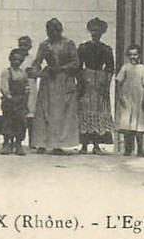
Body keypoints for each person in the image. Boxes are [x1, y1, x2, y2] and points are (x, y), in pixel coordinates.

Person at [28, 18, 80, 154]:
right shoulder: (44, 45)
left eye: (53, 31)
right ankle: (41, 143)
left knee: (60, 113)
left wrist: (62, 68)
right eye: (48, 31)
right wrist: (35, 71)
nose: (51, 34)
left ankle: (58, 144)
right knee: (44, 111)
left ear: (59, 30)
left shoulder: (68, 44)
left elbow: (76, 63)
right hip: (48, 80)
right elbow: (37, 61)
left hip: (63, 81)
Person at [77, 17, 115, 154]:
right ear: (89, 31)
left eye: (98, 31)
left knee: (99, 111)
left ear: (102, 32)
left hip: (100, 80)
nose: (95, 33)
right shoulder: (83, 47)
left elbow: (110, 68)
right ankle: (84, 145)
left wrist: (106, 84)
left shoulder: (106, 49)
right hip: (86, 80)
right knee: (84, 111)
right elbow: (78, 67)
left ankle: (97, 145)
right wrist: (80, 82)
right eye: (93, 30)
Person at [115, 44, 144, 156]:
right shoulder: (125, 67)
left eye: (135, 54)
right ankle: (128, 149)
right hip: (127, 98)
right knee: (127, 125)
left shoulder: (142, 68)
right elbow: (118, 82)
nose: (133, 57)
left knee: (138, 125)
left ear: (139, 55)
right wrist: (120, 96)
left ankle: (140, 149)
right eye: (131, 55)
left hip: (139, 99)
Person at [0, 49, 30, 155]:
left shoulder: (23, 73)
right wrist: (8, 96)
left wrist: (26, 95)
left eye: (19, 60)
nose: (17, 62)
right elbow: (4, 87)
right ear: (10, 59)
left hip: (21, 101)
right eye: (14, 59)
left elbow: (27, 85)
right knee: (8, 121)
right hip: (10, 101)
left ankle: (18, 144)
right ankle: (7, 143)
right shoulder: (6, 72)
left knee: (21, 122)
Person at [17, 35, 37, 143]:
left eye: (25, 45)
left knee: (31, 112)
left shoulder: (32, 59)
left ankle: (32, 141)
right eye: (21, 45)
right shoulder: (16, 58)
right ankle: (19, 139)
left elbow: (37, 72)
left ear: (30, 46)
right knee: (20, 112)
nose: (23, 47)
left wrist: (32, 72)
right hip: (19, 86)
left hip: (30, 85)